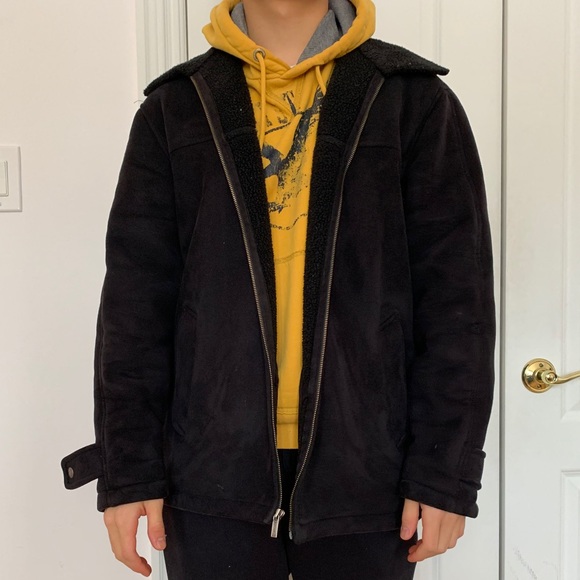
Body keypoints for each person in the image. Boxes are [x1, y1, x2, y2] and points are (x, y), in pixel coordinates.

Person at [61, 0, 495, 578]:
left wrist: (445, 471)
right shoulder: (175, 108)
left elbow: (458, 307)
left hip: (370, 473)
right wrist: (129, 471)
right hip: (208, 474)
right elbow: (133, 310)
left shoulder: (415, 102)